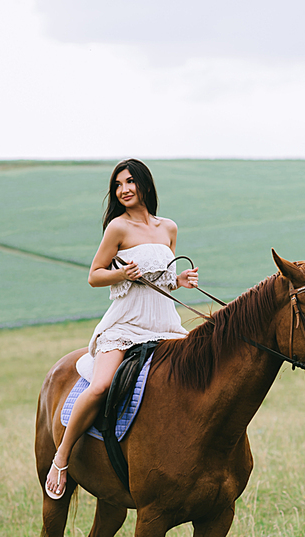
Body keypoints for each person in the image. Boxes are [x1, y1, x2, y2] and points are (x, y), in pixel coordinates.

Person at [46, 158, 198, 499]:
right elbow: (94, 275)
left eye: (130, 182)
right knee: (100, 386)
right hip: (126, 323)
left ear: (144, 184)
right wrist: (121, 275)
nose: (124, 189)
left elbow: (163, 279)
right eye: (118, 185)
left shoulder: (168, 228)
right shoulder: (117, 227)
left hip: (164, 322)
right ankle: (62, 455)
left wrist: (181, 280)